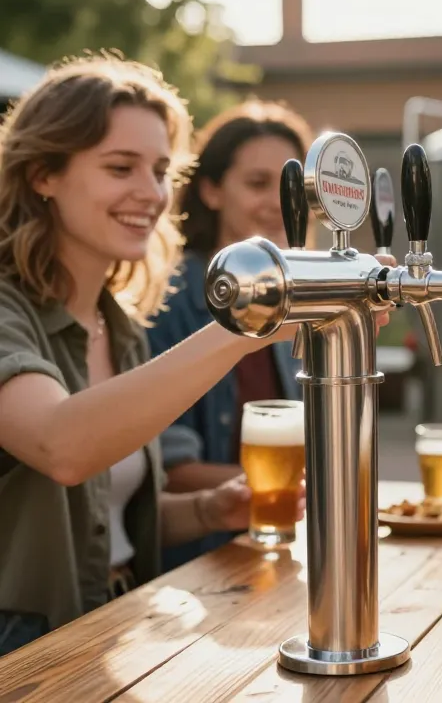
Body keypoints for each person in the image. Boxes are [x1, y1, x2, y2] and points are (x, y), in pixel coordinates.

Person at [147, 99, 313, 570]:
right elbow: (167, 471)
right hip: (193, 570)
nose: (280, 202)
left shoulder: (294, 296)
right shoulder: (170, 296)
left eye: (292, 187)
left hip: (278, 551)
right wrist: (307, 482)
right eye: (259, 183)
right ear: (212, 190)